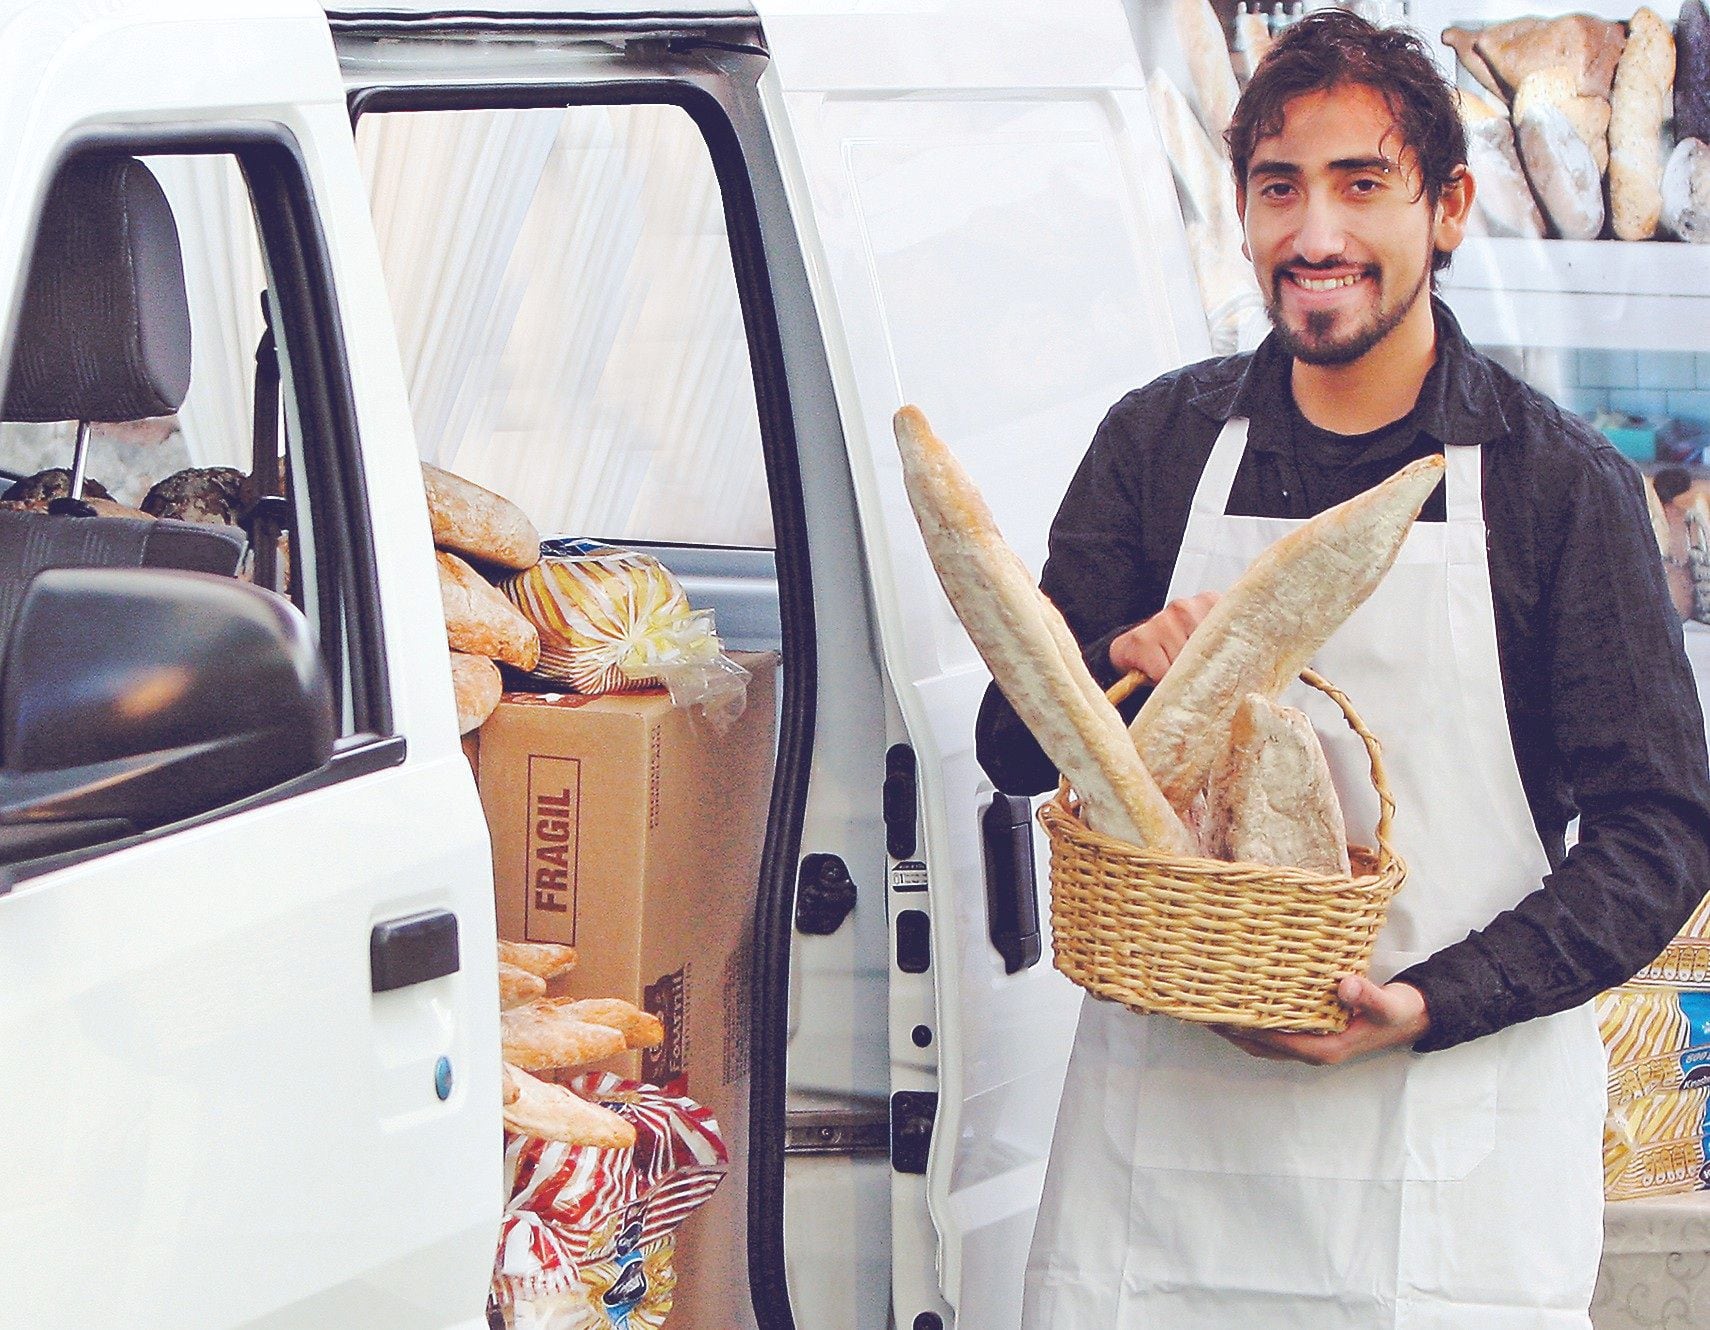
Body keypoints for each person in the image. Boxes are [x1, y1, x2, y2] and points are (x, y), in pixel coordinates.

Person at [977, 12, 1710, 1328]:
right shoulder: (1158, 445)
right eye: (1277, 187)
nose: (1313, 232)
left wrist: (1426, 1000)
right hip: (1165, 1188)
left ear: (1449, 209)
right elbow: (1010, 742)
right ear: (1243, 213)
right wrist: (1108, 672)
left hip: (1444, 1170)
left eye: (1360, 184)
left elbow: (1656, 834)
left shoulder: (1556, 487)